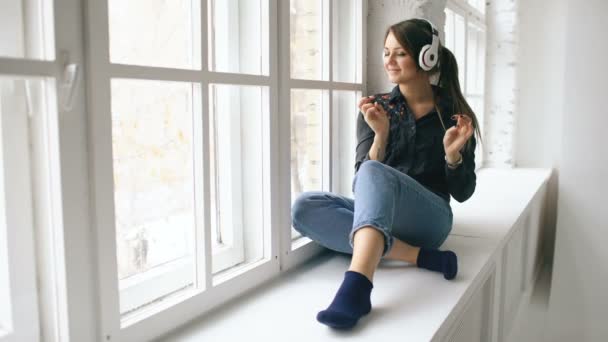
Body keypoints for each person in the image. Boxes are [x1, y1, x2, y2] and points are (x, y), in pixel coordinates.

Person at [291, 18, 482, 330]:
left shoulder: (453, 113)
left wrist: (452, 155)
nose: (388, 61)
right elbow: (361, 180)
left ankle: (357, 287)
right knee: (304, 208)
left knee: (374, 172)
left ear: (427, 58)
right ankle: (418, 257)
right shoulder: (375, 108)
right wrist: (380, 135)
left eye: (400, 53)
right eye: (385, 52)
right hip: (381, 217)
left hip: (430, 220)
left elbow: (463, 193)